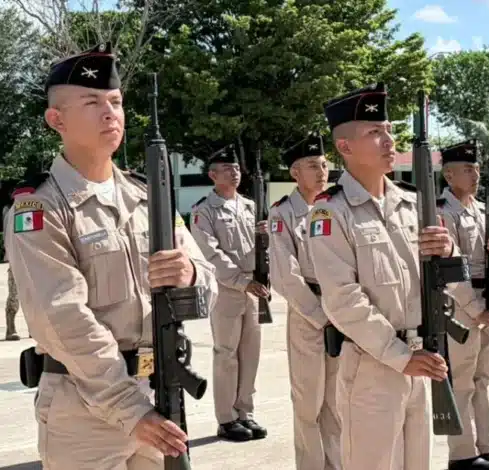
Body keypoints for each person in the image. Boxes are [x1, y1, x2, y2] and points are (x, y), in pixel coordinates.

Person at [5, 42, 218, 470]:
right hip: (84, 411)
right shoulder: (39, 208)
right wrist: (129, 408)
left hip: (157, 394)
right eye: (92, 102)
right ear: (56, 120)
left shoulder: (147, 197)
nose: (110, 113)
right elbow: (61, 317)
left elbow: (208, 284)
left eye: (116, 102)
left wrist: (190, 274)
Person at [307, 83, 469, 470]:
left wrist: (448, 251)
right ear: (345, 147)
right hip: (373, 366)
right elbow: (343, 300)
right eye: (374, 132)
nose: (389, 140)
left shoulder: (413, 204)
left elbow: (448, 280)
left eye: (389, 130)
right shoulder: (330, 212)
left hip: (422, 358)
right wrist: (400, 356)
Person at [437, 139, 489, 470]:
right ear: (449, 175)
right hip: (461, 305)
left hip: (488, 299)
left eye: (477, 169)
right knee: (462, 380)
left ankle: (485, 448)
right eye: (468, 169)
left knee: (483, 378)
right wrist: (475, 309)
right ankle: (462, 454)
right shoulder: (443, 212)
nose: (475, 175)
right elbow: (450, 270)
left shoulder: (482, 210)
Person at [268, 134, 341, 469]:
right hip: (308, 313)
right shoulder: (283, 213)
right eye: (313, 165)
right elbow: (285, 275)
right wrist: (319, 317)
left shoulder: (334, 208)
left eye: (324, 164)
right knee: (309, 401)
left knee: (337, 401)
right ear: (295, 173)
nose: (322, 171)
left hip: (341, 309)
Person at [190, 149, 269, 442]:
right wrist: (240, 281)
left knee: (250, 353)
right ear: (213, 175)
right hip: (227, 289)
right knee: (226, 354)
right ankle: (226, 419)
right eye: (227, 168)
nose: (234, 172)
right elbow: (210, 253)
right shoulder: (204, 211)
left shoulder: (250, 206)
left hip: (254, 288)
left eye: (236, 167)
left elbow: (263, 249)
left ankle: (245, 412)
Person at [2, 202, 20, 341]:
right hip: (17, 257)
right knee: (14, 293)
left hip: (34, 256)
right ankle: (10, 327)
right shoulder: (10, 210)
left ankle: (35, 329)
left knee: (35, 295)